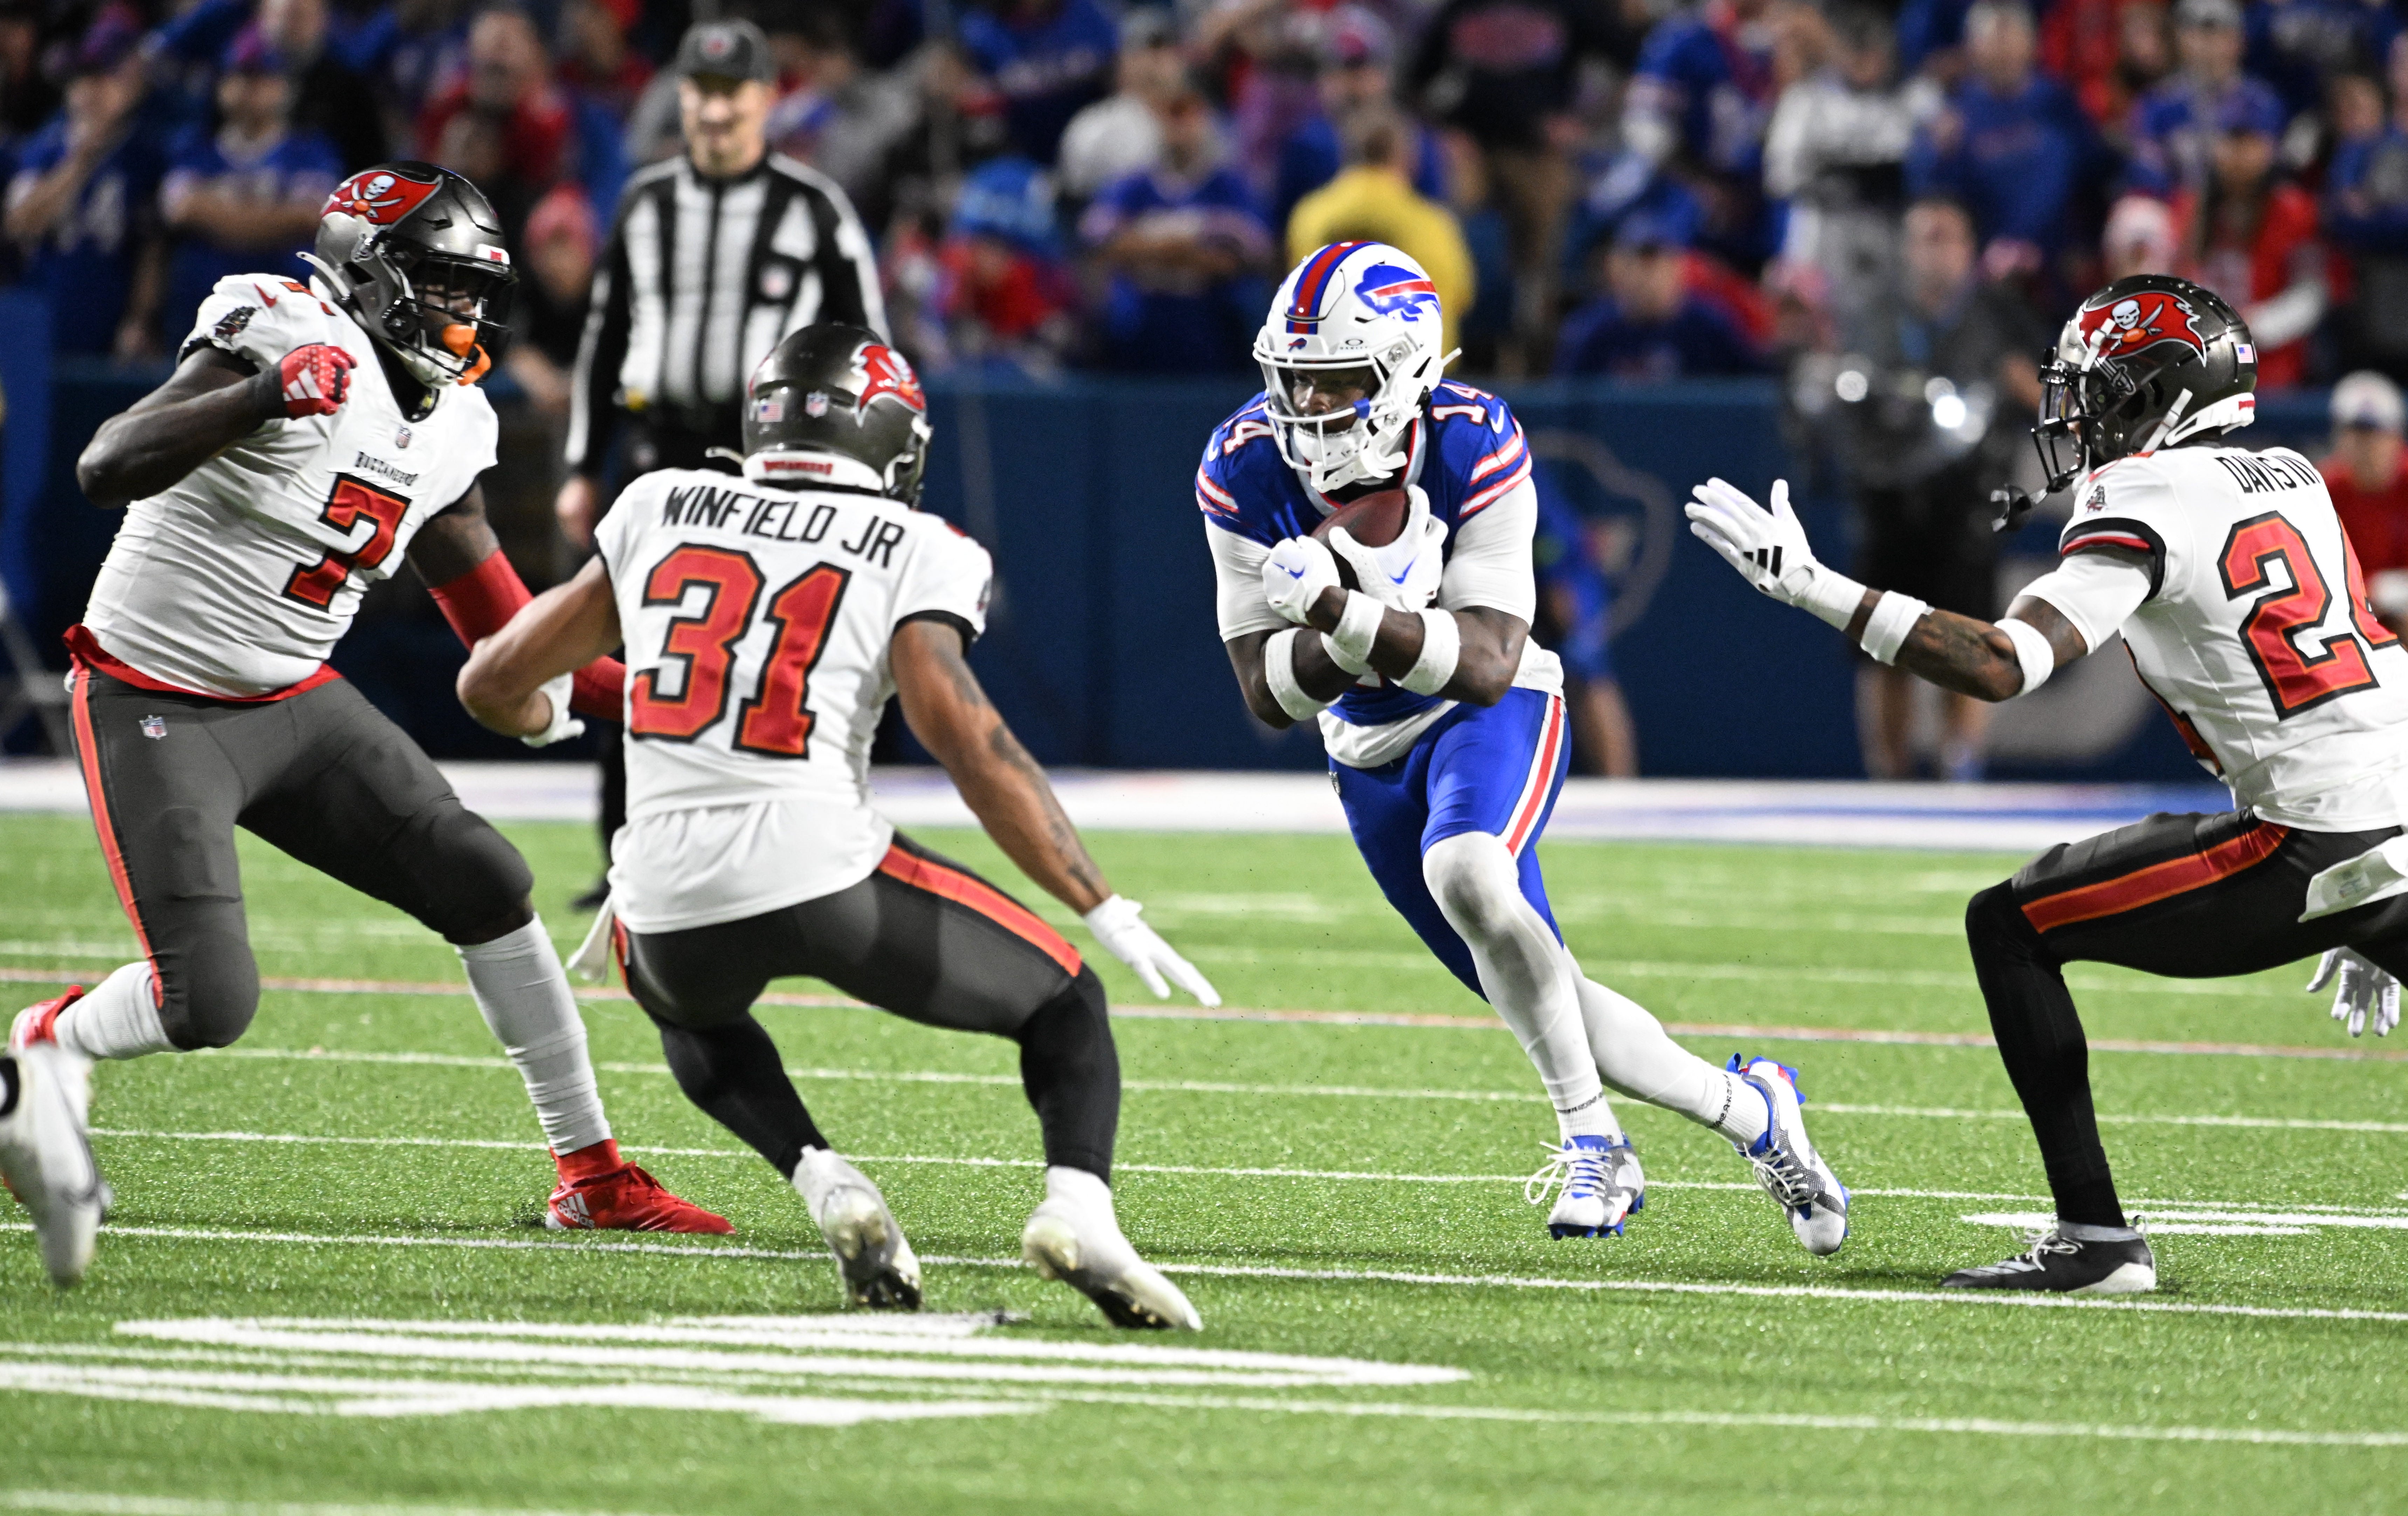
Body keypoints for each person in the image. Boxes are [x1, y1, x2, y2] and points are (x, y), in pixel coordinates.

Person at [2, 163, 729, 1288]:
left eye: (476, 290)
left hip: (293, 692)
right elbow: (106, 465)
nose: (465, 313)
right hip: (156, 692)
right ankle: (42, 1043)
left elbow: (506, 633)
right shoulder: (276, 326)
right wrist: (259, 395)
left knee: (486, 877)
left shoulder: (452, 425)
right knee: (211, 999)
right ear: (370, 273)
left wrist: (661, 703)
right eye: (443, 284)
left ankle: (591, 1174)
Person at [456, 324, 1217, 1329]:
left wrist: (547, 713)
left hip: (665, 900)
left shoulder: (658, 503)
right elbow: (970, 741)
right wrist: (1099, 901)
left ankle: (830, 1187)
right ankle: (1079, 1212)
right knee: (1066, 1005)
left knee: (693, 1017)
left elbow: (493, 679)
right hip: (824, 872)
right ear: (893, 441)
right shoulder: (918, 544)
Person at [1686, 274, 2408, 1293]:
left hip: (2309, 833)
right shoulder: (2288, 470)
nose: (2078, 414)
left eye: (2103, 390)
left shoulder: (2143, 493)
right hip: (2389, 801)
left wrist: (1811, 585)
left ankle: (2094, 1237)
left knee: (2009, 922)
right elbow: (2369, 659)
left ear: (2167, 393)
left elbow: (1999, 665)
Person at [1198, 239, 1850, 1249]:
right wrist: (1342, 631)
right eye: (1292, 380)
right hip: (1364, 748)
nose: (1305, 407)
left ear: (1402, 367)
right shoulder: (1241, 463)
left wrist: (1335, 607)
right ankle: (1755, 1112)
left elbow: (1490, 662)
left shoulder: (1471, 439)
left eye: (1331, 381)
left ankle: (1593, 1143)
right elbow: (1265, 695)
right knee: (1552, 997)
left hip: (1489, 713)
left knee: (1468, 870)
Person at [558, 19, 887, 907]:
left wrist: (870, 469)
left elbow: (870, 348)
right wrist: (583, 465)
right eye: (699, 92)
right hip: (656, 449)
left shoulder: (814, 207)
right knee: (635, 654)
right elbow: (603, 336)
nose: (713, 110)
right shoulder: (645, 201)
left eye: (731, 91)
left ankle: (792, 852)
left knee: (774, 653)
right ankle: (625, 852)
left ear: (766, 97)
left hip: (775, 460)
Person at [1832, 196, 2043, 780]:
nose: (1936, 250)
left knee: (1968, 633)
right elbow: (1844, 391)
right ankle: (1889, 769)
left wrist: (2024, 388)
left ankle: (1962, 765)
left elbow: (2040, 388)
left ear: (1969, 248)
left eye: (1947, 237)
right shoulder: (1876, 315)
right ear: (1906, 249)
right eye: (1925, 237)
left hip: (1967, 496)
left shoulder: (1997, 314)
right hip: (1889, 495)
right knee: (1882, 639)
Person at [159, 25, 344, 347]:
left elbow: (311, 218)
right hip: (201, 313)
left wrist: (218, 217)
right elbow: (180, 210)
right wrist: (271, 220)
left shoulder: (313, 150)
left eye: (263, 78)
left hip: (289, 318)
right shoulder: (193, 149)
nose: (251, 88)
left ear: (285, 88)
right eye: (241, 76)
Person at [1079, 70, 1272, 373]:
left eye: (1187, 112)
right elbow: (1098, 241)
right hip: (1142, 330)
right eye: (1169, 113)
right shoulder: (1134, 186)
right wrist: (1181, 247)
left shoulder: (1227, 187)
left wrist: (1150, 248)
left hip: (1208, 331)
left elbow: (1249, 253)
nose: (1178, 125)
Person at [4, 8, 165, 358]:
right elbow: (21, 223)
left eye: (104, 79)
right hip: (41, 310)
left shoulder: (144, 156)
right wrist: (80, 160)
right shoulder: (42, 150)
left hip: (109, 313)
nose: (91, 92)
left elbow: (151, 248)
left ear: (127, 88)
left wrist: (140, 319)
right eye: (82, 80)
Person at [1908, 1, 2102, 284]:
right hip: (1984, 270)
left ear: (2032, 44)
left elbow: (2093, 170)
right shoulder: (1954, 115)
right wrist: (1937, 154)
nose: (2004, 51)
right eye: (1993, 41)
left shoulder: (2057, 103)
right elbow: (1926, 193)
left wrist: (2084, 243)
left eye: (2012, 39)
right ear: (1973, 48)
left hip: (2058, 262)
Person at [1285, 107, 1474, 357]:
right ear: (1406, 156)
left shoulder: (1307, 216)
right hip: (1414, 376)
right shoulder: (1432, 222)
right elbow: (1460, 298)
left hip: (1324, 373)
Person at [2169, 87, 2324, 389]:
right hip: (2203, 372)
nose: (2238, 152)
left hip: (2275, 374)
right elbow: (2174, 280)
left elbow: (2312, 294)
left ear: (2271, 146)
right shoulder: (2189, 207)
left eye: (2249, 140)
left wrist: (2257, 325)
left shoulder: (2295, 211)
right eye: (2230, 139)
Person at [1553, 215, 1762, 379]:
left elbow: (1751, 392)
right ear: (1616, 269)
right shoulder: (1591, 331)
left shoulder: (1709, 326)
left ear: (1677, 268)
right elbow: (1566, 404)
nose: (1648, 277)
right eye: (1638, 264)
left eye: (1656, 264)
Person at [2122, 0, 2285, 198]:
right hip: (2177, 211)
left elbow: (2271, 173)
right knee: (2138, 213)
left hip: (2242, 213)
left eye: (2218, 33)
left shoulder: (2261, 102)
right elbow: (2144, 169)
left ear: (2239, 41)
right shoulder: (2158, 103)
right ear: (2181, 40)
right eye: (2198, 33)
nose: (2208, 45)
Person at [2319, 370, 2408, 633]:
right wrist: (2373, 591)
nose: (2366, 446)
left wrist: (2393, 590)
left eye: (2375, 434)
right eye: (2355, 434)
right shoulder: (2323, 492)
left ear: (2396, 437)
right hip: (2352, 615)